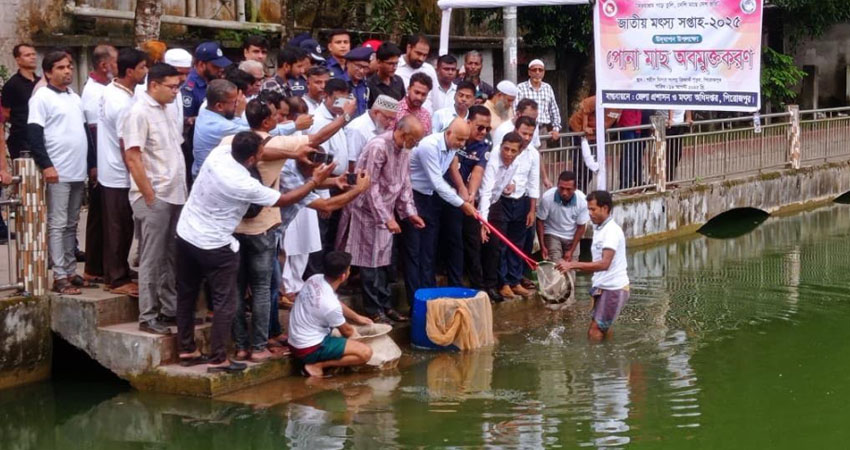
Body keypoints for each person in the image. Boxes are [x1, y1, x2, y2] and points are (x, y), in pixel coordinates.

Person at [174, 132, 330, 373]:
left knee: (186, 296)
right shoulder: (243, 183)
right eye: (260, 152)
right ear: (251, 158)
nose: (263, 154)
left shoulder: (221, 153)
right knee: (225, 302)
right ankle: (218, 359)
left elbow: (263, 153)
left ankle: (186, 348)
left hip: (185, 234)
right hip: (214, 245)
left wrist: (292, 154)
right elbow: (284, 199)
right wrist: (314, 182)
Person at [225, 101, 316, 362]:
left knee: (238, 288)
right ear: (266, 121)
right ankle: (258, 347)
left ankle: (242, 346)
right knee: (263, 288)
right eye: (277, 115)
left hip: (234, 227)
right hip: (262, 227)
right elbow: (316, 138)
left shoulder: (229, 142)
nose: (280, 119)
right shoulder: (272, 144)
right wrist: (343, 117)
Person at [336, 116, 426, 323]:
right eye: (415, 140)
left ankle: (386, 306)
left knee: (384, 261)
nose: (415, 145)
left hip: (386, 210)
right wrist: (386, 217)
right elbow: (369, 185)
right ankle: (373, 310)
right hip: (365, 210)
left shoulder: (404, 149)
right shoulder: (378, 146)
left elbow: (404, 183)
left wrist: (410, 212)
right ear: (404, 134)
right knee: (369, 262)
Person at [122, 63, 188, 334]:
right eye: (171, 87)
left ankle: (169, 310)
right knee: (151, 257)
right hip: (155, 195)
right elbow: (132, 156)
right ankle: (148, 315)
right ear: (154, 85)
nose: (176, 92)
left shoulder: (167, 110)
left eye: (178, 87)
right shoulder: (138, 112)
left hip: (175, 193)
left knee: (171, 256)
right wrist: (148, 193)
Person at [27, 51, 95, 295]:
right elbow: (34, 135)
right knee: (57, 224)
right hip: (58, 171)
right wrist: (47, 165)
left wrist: (91, 164)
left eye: (69, 67)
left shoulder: (74, 97)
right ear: (48, 72)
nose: (67, 71)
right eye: (60, 68)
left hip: (77, 171)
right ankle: (59, 276)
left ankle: (69, 269)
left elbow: (85, 133)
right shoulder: (41, 98)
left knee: (71, 223)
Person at [403, 118, 476, 302]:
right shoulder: (430, 145)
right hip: (412, 196)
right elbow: (437, 182)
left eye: (464, 140)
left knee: (429, 250)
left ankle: (430, 297)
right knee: (413, 252)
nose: (461, 144)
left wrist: (462, 196)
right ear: (448, 132)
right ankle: (415, 302)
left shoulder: (452, 148)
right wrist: (461, 204)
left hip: (429, 198)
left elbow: (440, 183)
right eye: (459, 139)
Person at [97, 48, 148, 297]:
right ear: (130, 71)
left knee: (120, 224)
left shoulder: (122, 91)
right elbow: (124, 143)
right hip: (118, 172)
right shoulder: (119, 101)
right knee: (119, 226)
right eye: (142, 68)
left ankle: (116, 271)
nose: (146, 72)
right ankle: (116, 278)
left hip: (118, 170)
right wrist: (135, 173)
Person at [288, 251, 374, 378]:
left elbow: (334, 301)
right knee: (365, 353)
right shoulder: (331, 306)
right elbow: (348, 332)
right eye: (349, 269)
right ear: (344, 276)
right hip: (309, 348)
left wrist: (356, 317)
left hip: (296, 339)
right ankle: (317, 365)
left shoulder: (314, 279)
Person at [557, 190, 629, 341]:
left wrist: (572, 265)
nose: (589, 213)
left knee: (594, 330)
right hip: (603, 286)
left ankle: (597, 363)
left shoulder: (611, 231)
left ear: (605, 208)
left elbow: (604, 264)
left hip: (613, 288)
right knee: (602, 327)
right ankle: (609, 357)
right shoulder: (600, 228)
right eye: (588, 209)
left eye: (593, 209)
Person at [483, 115, 539, 299]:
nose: (527, 137)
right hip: (499, 202)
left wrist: (532, 209)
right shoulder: (500, 150)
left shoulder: (531, 154)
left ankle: (515, 281)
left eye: (530, 134)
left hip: (519, 201)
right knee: (501, 244)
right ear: (516, 130)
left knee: (518, 243)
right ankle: (503, 283)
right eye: (524, 133)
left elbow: (533, 182)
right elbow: (489, 189)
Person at [80, 45, 118, 285]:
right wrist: (93, 165)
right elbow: (92, 131)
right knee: (100, 216)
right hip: (100, 163)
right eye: (115, 61)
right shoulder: (94, 92)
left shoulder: (105, 88)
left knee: (102, 216)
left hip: (104, 161)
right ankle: (95, 267)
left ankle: (99, 266)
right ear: (105, 65)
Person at [446, 105, 492, 296]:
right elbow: (452, 165)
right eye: (480, 127)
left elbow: (478, 170)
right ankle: (454, 284)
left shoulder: (484, 145)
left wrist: (471, 194)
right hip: (447, 194)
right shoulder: (457, 136)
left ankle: (478, 286)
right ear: (469, 122)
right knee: (454, 241)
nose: (483, 132)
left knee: (473, 240)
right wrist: (462, 191)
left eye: (487, 128)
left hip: (466, 199)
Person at [477, 132, 524, 301]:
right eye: (506, 149)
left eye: (513, 151)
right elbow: (485, 191)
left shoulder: (515, 162)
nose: (509, 154)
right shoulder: (493, 161)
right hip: (479, 201)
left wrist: (510, 186)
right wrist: (484, 222)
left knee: (496, 244)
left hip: (496, 201)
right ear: (501, 146)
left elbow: (502, 186)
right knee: (479, 242)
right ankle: (480, 286)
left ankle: (492, 284)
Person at [191, 79, 247, 178]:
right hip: (209, 179)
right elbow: (256, 130)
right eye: (234, 102)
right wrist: (239, 113)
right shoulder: (219, 126)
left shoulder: (205, 108)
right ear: (219, 106)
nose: (238, 104)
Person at [568, 95, 622, 192]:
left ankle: (583, 189)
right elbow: (585, 107)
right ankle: (578, 191)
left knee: (592, 165)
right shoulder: (602, 97)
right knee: (581, 163)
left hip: (595, 134)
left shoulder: (620, 106)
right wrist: (584, 127)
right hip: (579, 129)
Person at [536, 171, 588, 264]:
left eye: (568, 189)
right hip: (552, 233)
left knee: (572, 267)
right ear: (557, 185)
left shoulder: (582, 201)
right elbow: (540, 221)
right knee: (555, 265)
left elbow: (581, 227)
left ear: (575, 188)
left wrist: (571, 251)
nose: (564, 192)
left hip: (572, 235)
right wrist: (542, 245)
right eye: (561, 188)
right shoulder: (547, 197)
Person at [1, 44, 39, 160]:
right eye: (27, 55)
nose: (32, 57)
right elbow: (5, 113)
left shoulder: (41, 83)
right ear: (18, 60)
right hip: (21, 140)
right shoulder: (12, 85)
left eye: (33, 54)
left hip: (40, 137)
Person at [181, 42, 232, 121]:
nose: (221, 69)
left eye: (221, 65)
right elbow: (186, 120)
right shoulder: (189, 87)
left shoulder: (214, 79)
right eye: (215, 66)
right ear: (201, 65)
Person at [344, 94, 399, 167]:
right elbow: (351, 163)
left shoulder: (381, 126)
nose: (391, 123)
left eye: (393, 119)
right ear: (376, 113)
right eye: (388, 118)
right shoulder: (357, 129)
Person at [517, 59, 562, 145]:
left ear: (544, 72)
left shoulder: (547, 88)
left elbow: (554, 110)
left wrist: (556, 129)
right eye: (534, 70)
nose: (537, 72)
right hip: (525, 129)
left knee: (540, 157)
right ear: (529, 72)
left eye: (540, 70)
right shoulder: (520, 88)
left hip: (542, 129)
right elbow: (516, 110)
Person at [396, 34, 438, 112]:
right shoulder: (395, 67)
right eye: (418, 53)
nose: (421, 58)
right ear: (409, 48)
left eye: (425, 55)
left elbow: (435, 100)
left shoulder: (429, 70)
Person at [341, 47, 374, 117]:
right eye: (359, 66)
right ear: (348, 63)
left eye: (365, 68)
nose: (362, 71)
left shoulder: (366, 85)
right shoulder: (339, 84)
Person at [665, 109, 693, 183]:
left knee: (677, 154)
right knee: (668, 154)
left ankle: (670, 178)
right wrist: (670, 118)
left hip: (679, 124)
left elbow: (688, 104)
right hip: (667, 124)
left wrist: (688, 117)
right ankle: (667, 180)